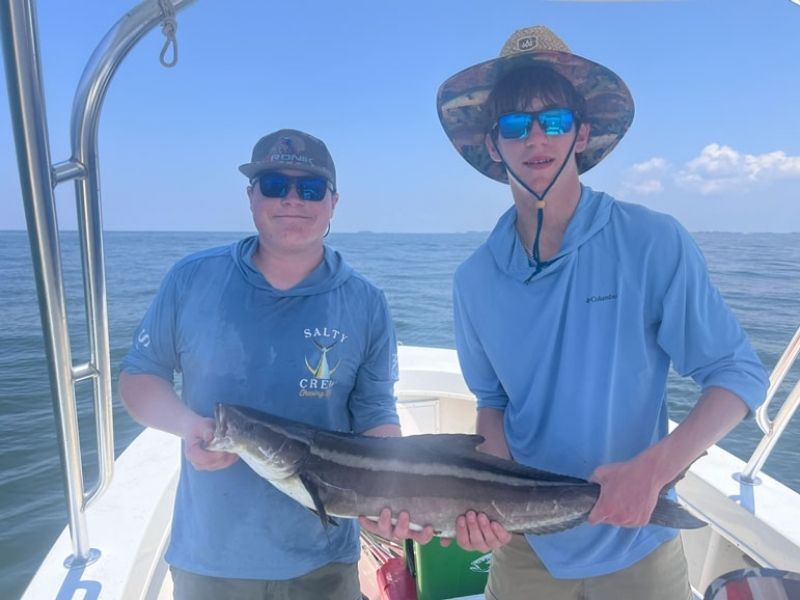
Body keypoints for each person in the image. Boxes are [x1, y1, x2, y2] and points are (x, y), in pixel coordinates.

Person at [435, 26, 769, 599]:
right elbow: (493, 405)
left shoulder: (651, 241)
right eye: (515, 124)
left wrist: (653, 471)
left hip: (637, 538)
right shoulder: (474, 280)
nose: (535, 136)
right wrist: (485, 502)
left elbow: (737, 375)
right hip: (527, 547)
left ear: (581, 133)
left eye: (555, 120)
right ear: (493, 145)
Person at [118, 128, 428, 600]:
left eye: (309, 189)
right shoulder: (191, 279)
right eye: (274, 185)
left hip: (324, 562)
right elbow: (140, 380)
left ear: (333, 203)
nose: (292, 201)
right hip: (211, 559)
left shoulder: (366, 302)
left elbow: (375, 413)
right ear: (250, 196)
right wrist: (190, 426)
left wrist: (390, 494)